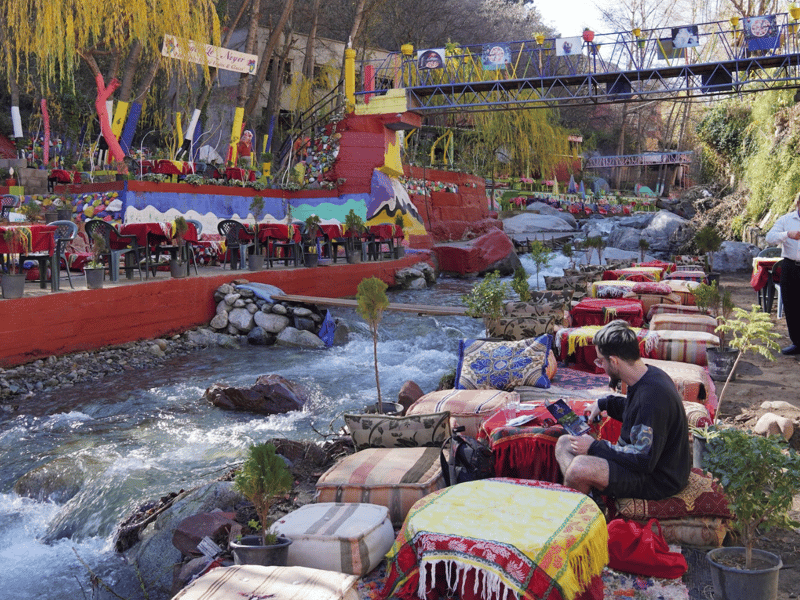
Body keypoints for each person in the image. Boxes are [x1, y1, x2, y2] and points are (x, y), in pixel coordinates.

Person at [555, 320, 690, 502]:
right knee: (564, 443)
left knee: (579, 468)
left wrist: (594, 447)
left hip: (659, 479)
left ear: (614, 361)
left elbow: (643, 459)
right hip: (643, 462)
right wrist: (604, 404)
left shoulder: (651, 398)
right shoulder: (647, 376)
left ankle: (579, 518)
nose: (600, 366)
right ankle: (589, 499)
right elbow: (632, 410)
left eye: (600, 361)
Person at [765, 192, 800, 355]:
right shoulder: (787, 220)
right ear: (798, 204)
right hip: (790, 266)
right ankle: (797, 342)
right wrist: (787, 235)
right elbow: (770, 238)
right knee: (791, 304)